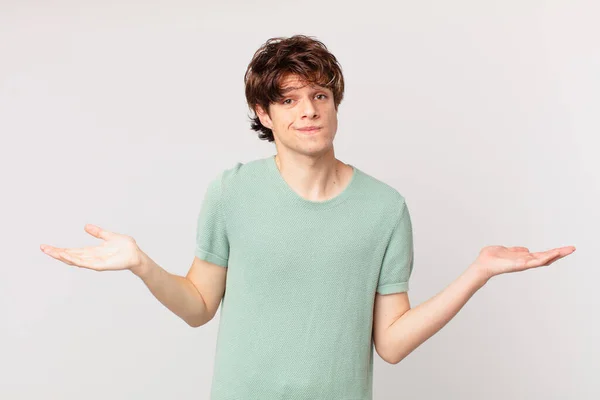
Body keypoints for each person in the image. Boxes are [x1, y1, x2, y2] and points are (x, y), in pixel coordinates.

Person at [40, 35, 576, 399]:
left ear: (335, 103)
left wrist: (477, 271)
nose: (308, 110)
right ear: (263, 113)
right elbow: (200, 306)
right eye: (289, 99)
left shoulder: (385, 209)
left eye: (319, 95)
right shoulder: (231, 192)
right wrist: (141, 264)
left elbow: (390, 344)